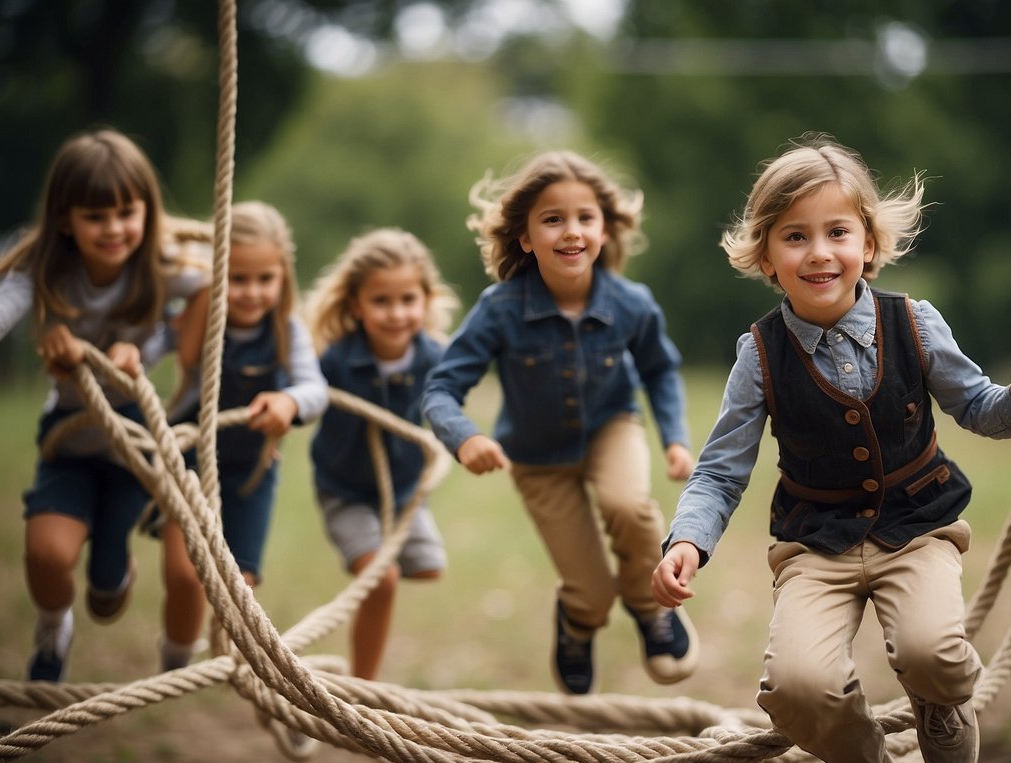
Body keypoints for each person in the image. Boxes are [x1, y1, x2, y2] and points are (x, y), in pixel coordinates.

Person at [651, 134, 1011, 763]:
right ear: (764, 256)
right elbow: (722, 469)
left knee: (934, 655)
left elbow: (978, 407)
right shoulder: (759, 355)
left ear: (867, 244)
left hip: (917, 526)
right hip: (815, 542)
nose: (817, 252)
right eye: (794, 237)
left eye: (835, 231)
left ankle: (939, 703)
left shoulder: (914, 323)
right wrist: (687, 542)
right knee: (794, 688)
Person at [422, 150, 699, 695]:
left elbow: (660, 371)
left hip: (610, 428)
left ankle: (652, 611)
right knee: (591, 590)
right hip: (537, 459)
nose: (571, 232)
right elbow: (440, 389)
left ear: (603, 230)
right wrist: (466, 437)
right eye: (553, 219)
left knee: (628, 505)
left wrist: (674, 438)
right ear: (525, 237)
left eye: (584, 218)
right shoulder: (499, 309)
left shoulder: (632, 303)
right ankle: (577, 624)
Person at [0, 128, 209, 682]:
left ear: (148, 212)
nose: (114, 229)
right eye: (96, 216)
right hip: (71, 439)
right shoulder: (47, 275)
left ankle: (112, 568)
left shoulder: (160, 268)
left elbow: (214, 285)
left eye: (128, 212)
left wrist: (150, 346)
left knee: (107, 592)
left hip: (132, 441)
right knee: (48, 556)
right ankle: (54, 629)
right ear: (64, 219)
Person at [158, 200, 327, 672]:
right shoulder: (204, 317)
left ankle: (246, 667)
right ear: (217, 275)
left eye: (265, 279)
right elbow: (177, 350)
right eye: (238, 279)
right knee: (185, 576)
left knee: (241, 583)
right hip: (191, 464)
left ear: (283, 276)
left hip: (253, 471)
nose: (252, 292)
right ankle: (174, 659)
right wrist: (202, 297)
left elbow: (316, 389)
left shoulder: (286, 329)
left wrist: (290, 402)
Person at [303, 227, 459, 679]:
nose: (397, 314)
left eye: (408, 300)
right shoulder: (334, 361)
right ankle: (362, 686)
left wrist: (463, 439)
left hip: (405, 490)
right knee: (381, 580)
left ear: (426, 301)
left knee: (429, 570)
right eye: (381, 301)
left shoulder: (435, 358)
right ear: (355, 304)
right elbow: (301, 396)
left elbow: (449, 403)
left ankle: (379, 548)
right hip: (345, 489)